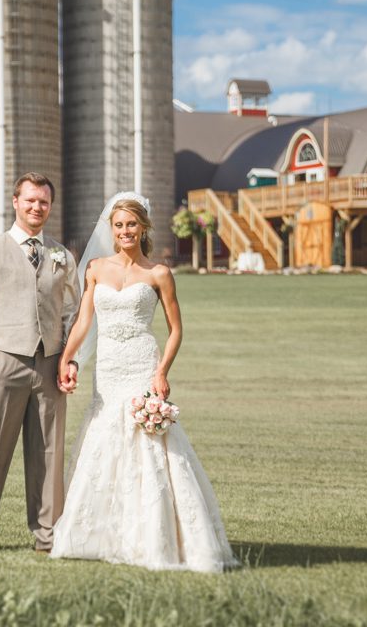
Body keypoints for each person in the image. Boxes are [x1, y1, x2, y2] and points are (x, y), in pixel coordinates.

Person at [50, 192, 236, 573]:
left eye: (131, 224)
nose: (125, 231)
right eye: (118, 225)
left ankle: (154, 536)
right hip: (108, 368)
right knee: (105, 440)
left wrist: (161, 371)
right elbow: (85, 321)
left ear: (143, 227)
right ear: (111, 229)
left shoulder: (158, 274)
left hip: (141, 364)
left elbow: (176, 330)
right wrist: (68, 356)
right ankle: (100, 535)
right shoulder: (97, 268)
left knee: (148, 446)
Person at [0, 172, 80, 556]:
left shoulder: (62, 255)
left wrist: (67, 358)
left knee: (48, 455)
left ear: (50, 206)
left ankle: (48, 535)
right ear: (15, 202)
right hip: (5, 363)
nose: (36, 207)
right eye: (29, 200)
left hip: (50, 366)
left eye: (43, 202)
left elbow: (73, 313)